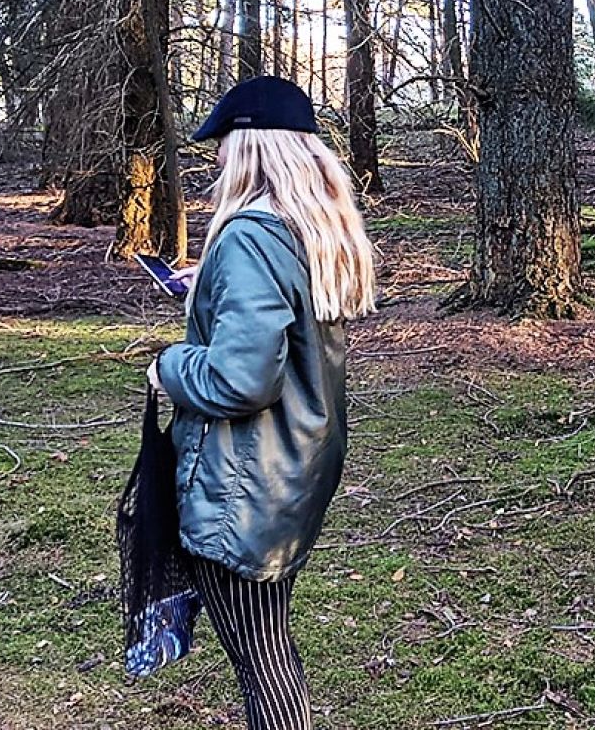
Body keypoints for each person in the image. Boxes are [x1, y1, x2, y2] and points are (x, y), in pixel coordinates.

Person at [146, 76, 377, 730]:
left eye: (223, 142)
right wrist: (211, 285)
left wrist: (168, 366)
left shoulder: (249, 235)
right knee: (267, 647)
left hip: (244, 487)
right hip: (290, 474)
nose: (216, 158)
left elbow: (241, 379)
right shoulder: (310, 227)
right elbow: (281, 320)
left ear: (251, 147)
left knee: (262, 659)